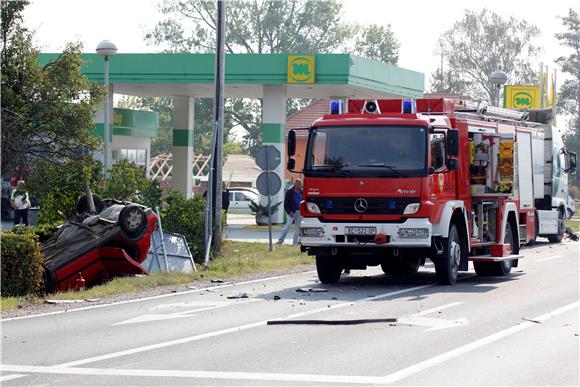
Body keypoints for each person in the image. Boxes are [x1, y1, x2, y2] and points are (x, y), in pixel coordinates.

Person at [277, 179, 303, 245]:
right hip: (292, 212)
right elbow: (286, 204)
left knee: (297, 227)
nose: (299, 185)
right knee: (287, 225)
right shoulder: (289, 192)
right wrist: (289, 212)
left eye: (300, 184)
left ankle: (295, 242)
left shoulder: (302, 192)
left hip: (300, 212)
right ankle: (281, 240)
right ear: (294, 184)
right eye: (297, 183)